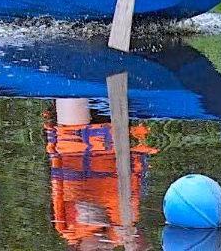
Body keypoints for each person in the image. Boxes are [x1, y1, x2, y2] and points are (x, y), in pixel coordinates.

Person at [46, 97, 155, 251]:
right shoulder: (120, 232)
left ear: (79, 247)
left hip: (74, 138)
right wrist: (133, 238)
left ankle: (71, 82)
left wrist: (104, 222)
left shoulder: (70, 227)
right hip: (117, 140)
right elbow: (144, 245)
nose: (103, 249)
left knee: (73, 97)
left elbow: (83, 208)